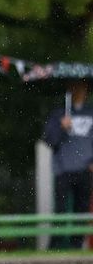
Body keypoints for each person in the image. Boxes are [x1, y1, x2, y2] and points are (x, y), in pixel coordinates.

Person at [42, 79, 93, 249]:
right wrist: (60, 128)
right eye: (75, 87)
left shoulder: (91, 112)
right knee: (61, 210)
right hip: (63, 169)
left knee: (82, 209)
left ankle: (76, 244)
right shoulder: (58, 114)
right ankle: (56, 244)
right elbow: (49, 140)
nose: (79, 90)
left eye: (82, 87)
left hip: (85, 169)